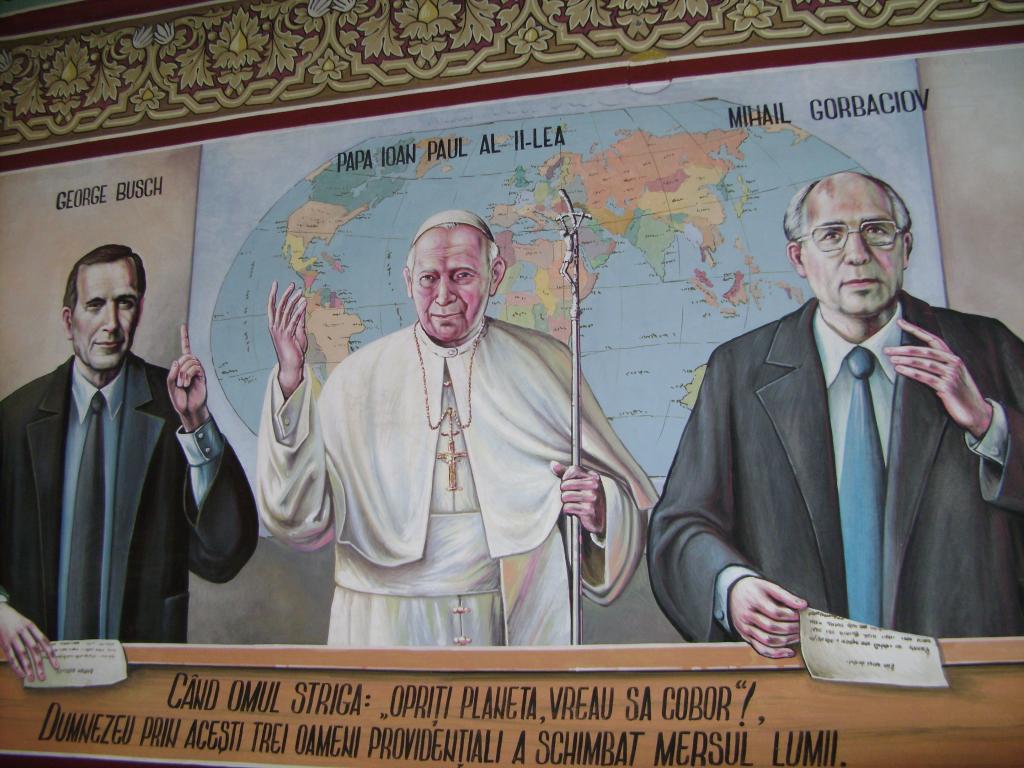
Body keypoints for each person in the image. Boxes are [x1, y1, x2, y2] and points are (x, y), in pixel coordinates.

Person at [647, 171, 1024, 658]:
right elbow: (680, 526)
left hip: (970, 675)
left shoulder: (987, 348)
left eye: (877, 231)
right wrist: (732, 587)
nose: (857, 254)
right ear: (798, 257)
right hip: (800, 676)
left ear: (906, 247)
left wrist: (990, 425)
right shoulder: (739, 371)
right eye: (831, 235)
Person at [258, 210, 654, 646]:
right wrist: (290, 381)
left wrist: (601, 511)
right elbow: (299, 514)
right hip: (386, 618)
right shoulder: (357, 378)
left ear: (494, 274)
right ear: (408, 281)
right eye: (429, 279)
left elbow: (618, 494)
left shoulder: (545, 364)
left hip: (511, 611)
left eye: (462, 275)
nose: (443, 296)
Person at [0, 245, 258, 680]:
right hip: (35, 680)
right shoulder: (14, 419)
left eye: (125, 303)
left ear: (139, 311)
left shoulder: (173, 407)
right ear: (68, 320)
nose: (112, 324)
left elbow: (223, 556)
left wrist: (197, 423)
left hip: (142, 681)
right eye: (95, 305)